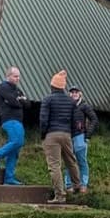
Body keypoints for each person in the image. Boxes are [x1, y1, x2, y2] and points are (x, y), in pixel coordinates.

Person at [39, 69, 82, 203]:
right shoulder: (71, 102)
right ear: (63, 87)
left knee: (54, 165)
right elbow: (75, 120)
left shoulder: (47, 99)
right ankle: (77, 186)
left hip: (52, 134)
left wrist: (43, 134)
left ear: (52, 86)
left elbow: (43, 120)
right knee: (71, 161)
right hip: (66, 134)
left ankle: (60, 195)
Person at [0, 65, 27, 185]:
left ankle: (9, 178)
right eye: (15, 76)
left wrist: (19, 100)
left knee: (15, 150)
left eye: (19, 76)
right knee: (18, 141)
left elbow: (28, 104)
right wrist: (19, 100)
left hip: (18, 121)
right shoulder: (3, 88)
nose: (18, 79)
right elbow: (14, 102)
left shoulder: (17, 90)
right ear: (8, 76)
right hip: (10, 120)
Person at [64, 85, 98, 190]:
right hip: (68, 137)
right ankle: (69, 185)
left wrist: (87, 135)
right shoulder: (67, 106)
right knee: (69, 161)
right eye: (72, 92)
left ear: (80, 94)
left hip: (80, 136)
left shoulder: (84, 106)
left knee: (82, 161)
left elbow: (94, 120)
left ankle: (84, 184)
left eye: (76, 92)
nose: (74, 94)